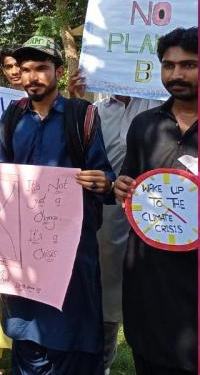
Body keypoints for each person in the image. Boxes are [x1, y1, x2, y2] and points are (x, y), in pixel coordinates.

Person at [0, 35, 114, 374]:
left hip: (70, 251)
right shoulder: (13, 117)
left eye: (41, 68)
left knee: (72, 333)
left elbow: (105, 176)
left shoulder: (82, 116)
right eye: (25, 70)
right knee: (27, 331)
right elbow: (4, 175)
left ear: (57, 72)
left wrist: (103, 182)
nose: (32, 77)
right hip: (23, 250)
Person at [114, 26, 197, 375]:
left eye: (189, 65)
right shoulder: (145, 125)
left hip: (193, 283)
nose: (176, 74)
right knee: (148, 355)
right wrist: (122, 187)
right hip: (148, 273)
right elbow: (130, 182)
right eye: (168, 65)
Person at [68, 70, 161, 374]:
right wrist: (76, 102)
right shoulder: (93, 111)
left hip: (154, 212)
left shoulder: (156, 105)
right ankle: (101, 364)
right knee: (105, 292)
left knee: (152, 290)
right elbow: (81, 155)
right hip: (107, 213)